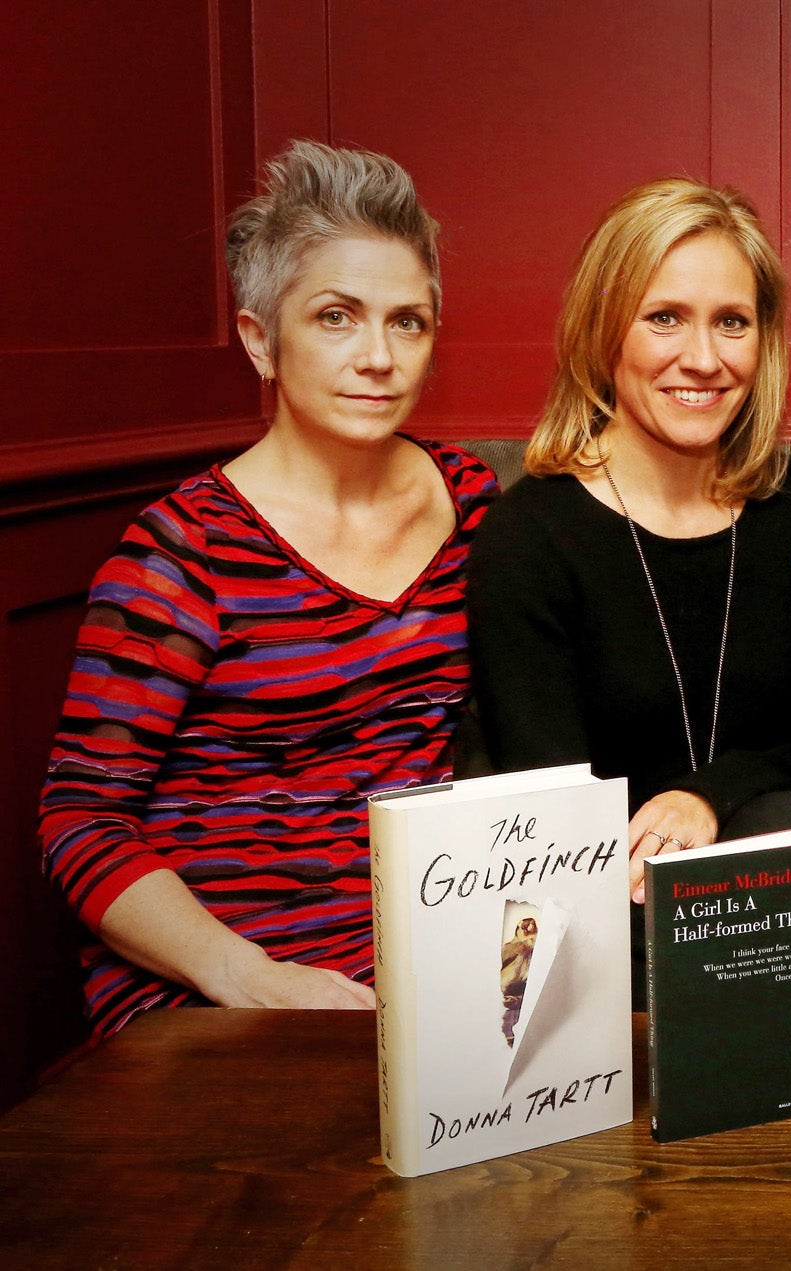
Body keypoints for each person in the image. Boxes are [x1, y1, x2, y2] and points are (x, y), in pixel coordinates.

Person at [39, 141, 496, 1037]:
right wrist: (242, 974)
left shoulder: (476, 503)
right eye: (337, 317)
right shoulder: (182, 550)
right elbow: (80, 819)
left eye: (409, 322)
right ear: (260, 341)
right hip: (222, 977)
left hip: (432, 954)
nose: (378, 356)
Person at [464, 179, 791, 993]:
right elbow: (544, 799)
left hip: (777, 894)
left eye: (731, 322)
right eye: (664, 317)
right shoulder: (529, 536)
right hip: (600, 910)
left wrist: (705, 797)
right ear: (605, 332)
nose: (703, 358)